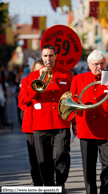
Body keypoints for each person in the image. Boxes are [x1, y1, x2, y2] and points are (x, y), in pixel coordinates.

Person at [70, 50, 108, 194]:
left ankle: (105, 192)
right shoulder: (78, 79)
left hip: (107, 129)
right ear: (89, 65)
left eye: (102, 63)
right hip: (87, 128)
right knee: (88, 167)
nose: (99, 67)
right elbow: (73, 103)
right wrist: (73, 123)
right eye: (95, 64)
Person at [20, 45, 73, 194]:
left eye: (51, 56)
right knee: (44, 162)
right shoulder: (30, 78)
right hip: (40, 125)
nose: (48, 59)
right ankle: (50, 188)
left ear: (56, 56)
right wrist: (38, 81)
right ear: (42, 57)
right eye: (45, 56)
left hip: (61, 123)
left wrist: (74, 122)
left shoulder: (67, 75)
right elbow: (23, 100)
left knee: (61, 155)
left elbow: (73, 98)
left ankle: (60, 183)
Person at [18, 58, 44, 186]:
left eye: (42, 70)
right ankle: (37, 182)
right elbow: (21, 101)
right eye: (38, 70)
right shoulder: (26, 81)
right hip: (32, 125)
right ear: (33, 70)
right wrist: (35, 91)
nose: (40, 73)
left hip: (46, 124)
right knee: (34, 156)